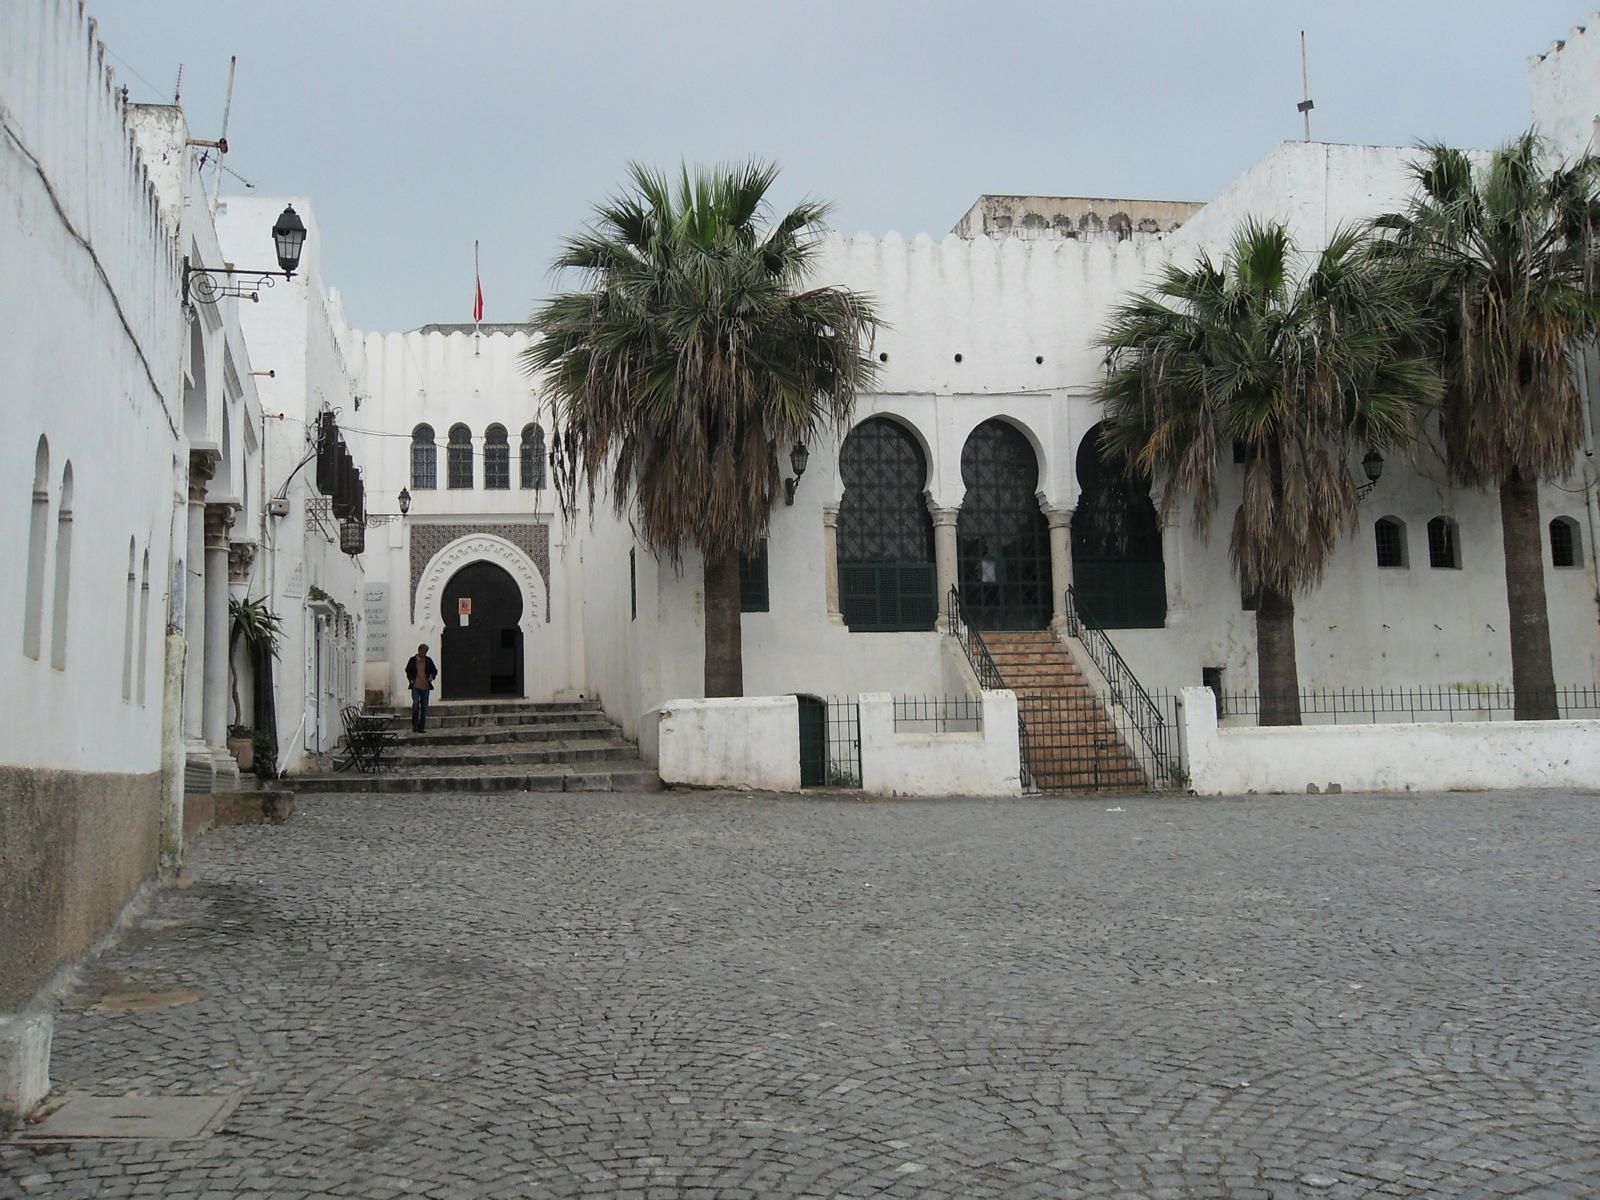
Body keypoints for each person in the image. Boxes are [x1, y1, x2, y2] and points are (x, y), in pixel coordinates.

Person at [404, 643, 438, 733]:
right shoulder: (413, 660)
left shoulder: (428, 660)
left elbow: (434, 670)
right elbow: (408, 670)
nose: (423, 654)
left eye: (425, 653)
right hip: (415, 686)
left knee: (424, 707)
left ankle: (421, 727)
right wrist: (411, 679)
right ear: (419, 651)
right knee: (415, 704)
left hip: (425, 686)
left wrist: (432, 677)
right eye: (422, 652)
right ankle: (414, 724)